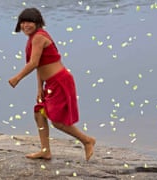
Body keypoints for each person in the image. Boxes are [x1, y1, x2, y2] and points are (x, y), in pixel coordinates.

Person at [8, 8, 96, 161]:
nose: (26, 25)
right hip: (50, 82)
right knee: (39, 113)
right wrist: (39, 88)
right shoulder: (32, 38)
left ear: (37, 23)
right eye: (23, 22)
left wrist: (17, 77)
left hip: (60, 81)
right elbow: (40, 66)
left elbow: (33, 63)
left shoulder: (39, 37)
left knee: (57, 121)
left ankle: (87, 140)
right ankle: (45, 151)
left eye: (30, 22)